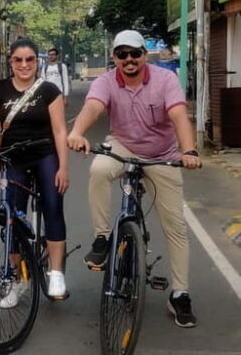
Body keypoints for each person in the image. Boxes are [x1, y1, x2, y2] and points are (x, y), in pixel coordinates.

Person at [67, 29, 201, 328]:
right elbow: (93, 107)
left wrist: (188, 150)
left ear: (144, 55)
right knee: (99, 169)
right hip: (122, 145)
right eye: (122, 54)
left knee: (175, 226)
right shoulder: (105, 81)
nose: (129, 59)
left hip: (161, 153)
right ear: (115, 58)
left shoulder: (165, 80)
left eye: (135, 53)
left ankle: (180, 294)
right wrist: (76, 132)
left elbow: (179, 116)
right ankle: (102, 238)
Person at [0, 38, 70, 306]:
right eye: (18, 59)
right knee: (12, 216)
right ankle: (18, 279)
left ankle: (56, 273)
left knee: (53, 204)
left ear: (37, 61)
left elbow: (59, 131)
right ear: (10, 62)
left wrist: (63, 166)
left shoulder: (49, 90)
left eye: (30, 59)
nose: (24, 64)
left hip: (45, 155)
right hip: (14, 159)